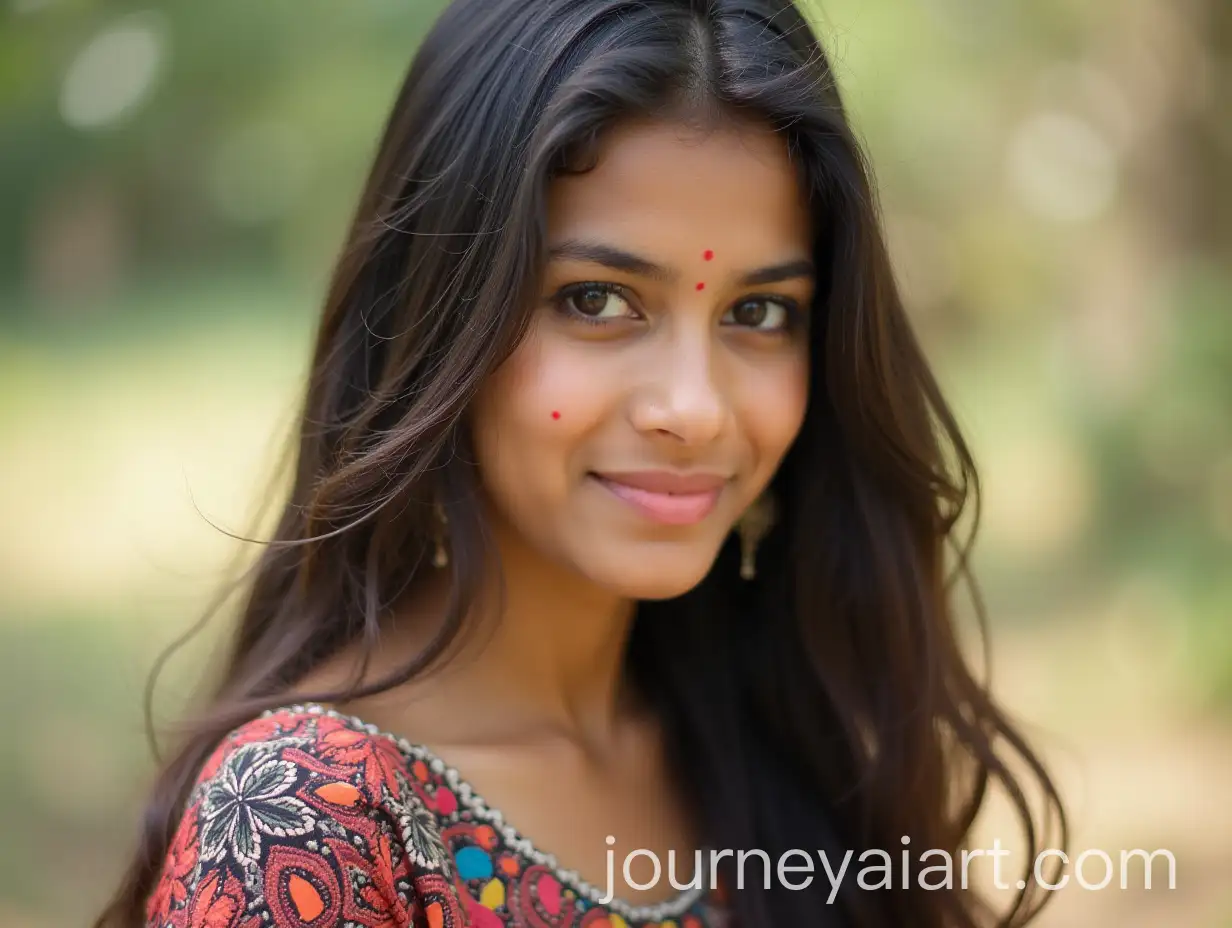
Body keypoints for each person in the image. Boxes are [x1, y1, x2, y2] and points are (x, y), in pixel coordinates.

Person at [97, 1, 1066, 926]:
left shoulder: (793, 744)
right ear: (440, 316)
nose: (692, 407)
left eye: (757, 312)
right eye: (598, 300)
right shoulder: (311, 822)